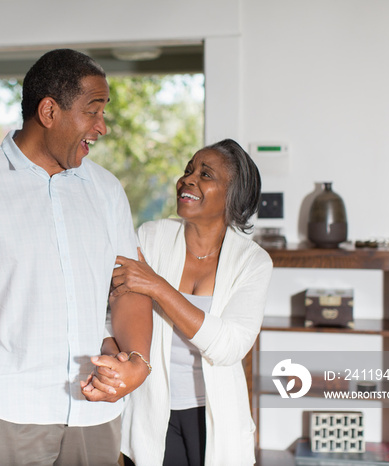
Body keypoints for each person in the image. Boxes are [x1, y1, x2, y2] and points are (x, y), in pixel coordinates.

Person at [0, 49, 152, 466]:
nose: (101, 127)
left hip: (93, 414)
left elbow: (127, 288)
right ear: (49, 111)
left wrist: (138, 361)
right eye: (92, 111)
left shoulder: (106, 190)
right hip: (4, 413)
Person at [91, 139, 272, 465]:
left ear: (234, 195)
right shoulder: (151, 236)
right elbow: (112, 312)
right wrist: (111, 352)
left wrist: (158, 287)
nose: (188, 179)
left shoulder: (253, 262)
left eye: (206, 175)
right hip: (151, 410)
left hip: (212, 413)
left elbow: (229, 346)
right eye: (189, 170)